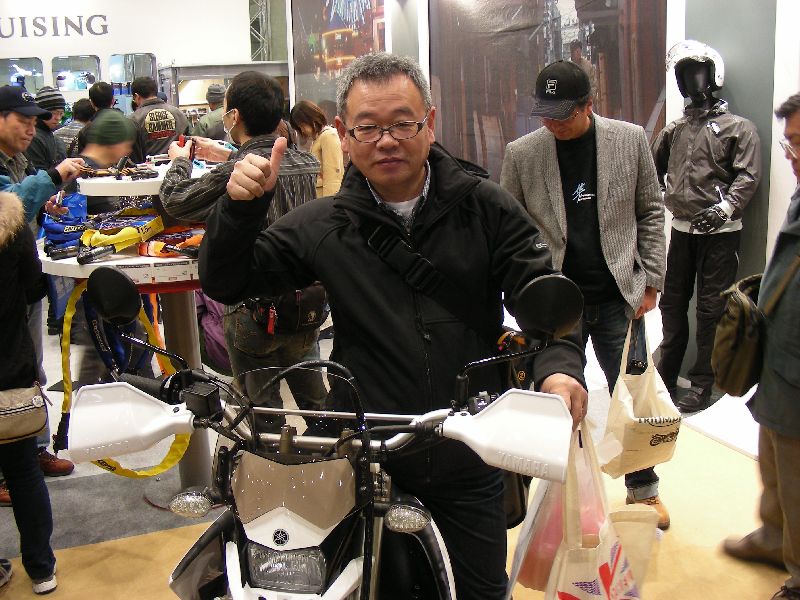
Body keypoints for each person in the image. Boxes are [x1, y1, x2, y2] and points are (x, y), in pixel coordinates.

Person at [198, 52, 587, 600]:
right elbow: (227, 280)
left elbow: (541, 296)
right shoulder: (325, 225)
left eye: (403, 123)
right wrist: (238, 210)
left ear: (430, 123)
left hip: (470, 446)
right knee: (369, 586)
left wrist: (560, 369)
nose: (387, 141)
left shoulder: (486, 208)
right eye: (368, 127)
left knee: (481, 590)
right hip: (367, 455)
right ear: (344, 134)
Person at [500, 59, 668, 529]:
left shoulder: (629, 140)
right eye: (545, 114)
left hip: (618, 294)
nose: (552, 123)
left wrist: (651, 278)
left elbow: (650, 211)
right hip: (556, 303)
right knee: (554, 396)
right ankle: (554, 501)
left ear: (589, 105)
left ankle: (644, 491)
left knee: (630, 396)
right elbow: (508, 227)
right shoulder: (523, 154)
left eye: (563, 114)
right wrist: (522, 293)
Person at [160, 70, 327, 432]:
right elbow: (266, 157)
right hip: (305, 305)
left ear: (233, 116)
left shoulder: (236, 173)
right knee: (319, 405)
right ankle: (333, 460)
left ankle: (273, 465)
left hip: (253, 310)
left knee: (262, 411)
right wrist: (225, 153)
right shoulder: (305, 163)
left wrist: (180, 161)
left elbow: (175, 199)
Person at [652, 40, 762, 412]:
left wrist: (725, 208)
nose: (690, 82)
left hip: (720, 236)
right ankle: (666, 373)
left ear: (714, 75)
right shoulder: (674, 130)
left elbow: (748, 175)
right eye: (683, 75)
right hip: (682, 231)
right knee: (672, 303)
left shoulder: (738, 129)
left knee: (712, 310)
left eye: (696, 73)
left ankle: (702, 382)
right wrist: (662, 197)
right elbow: (653, 169)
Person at [722, 93, 800, 600]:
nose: (792, 155)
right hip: (781, 356)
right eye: (789, 143)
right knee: (774, 460)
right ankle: (776, 538)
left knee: (797, 474)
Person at [0, 86, 81, 505]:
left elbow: (23, 205)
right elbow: (9, 205)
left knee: (30, 369)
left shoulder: (18, 160)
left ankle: (32, 447)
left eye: (34, 122)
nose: (31, 130)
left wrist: (45, 203)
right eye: (23, 121)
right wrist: (51, 177)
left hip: (21, 281)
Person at [0, 190, 58, 594]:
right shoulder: (11, 221)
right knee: (23, 472)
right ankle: (41, 569)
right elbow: (35, 286)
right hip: (10, 369)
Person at [290, 99, 344, 197]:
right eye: (299, 127)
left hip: (326, 199)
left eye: (302, 125)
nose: (302, 130)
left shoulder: (328, 136)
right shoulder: (319, 138)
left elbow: (333, 176)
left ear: (312, 119)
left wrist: (329, 204)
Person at [129, 76, 189, 163]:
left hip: (148, 170)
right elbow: (189, 142)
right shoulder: (178, 113)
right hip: (179, 165)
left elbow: (133, 154)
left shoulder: (133, 119)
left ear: (136, 96)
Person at [25, 87, 67, 172]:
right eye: (53, 113)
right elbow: (38, 175)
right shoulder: (33, 138)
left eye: (61, 113)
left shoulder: (53, 137)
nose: (58, 118)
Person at [70, 81, 115, 157]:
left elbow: (84, 161)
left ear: (91, 103)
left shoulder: (86, 131)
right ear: (113, 100)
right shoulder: (130, 124)